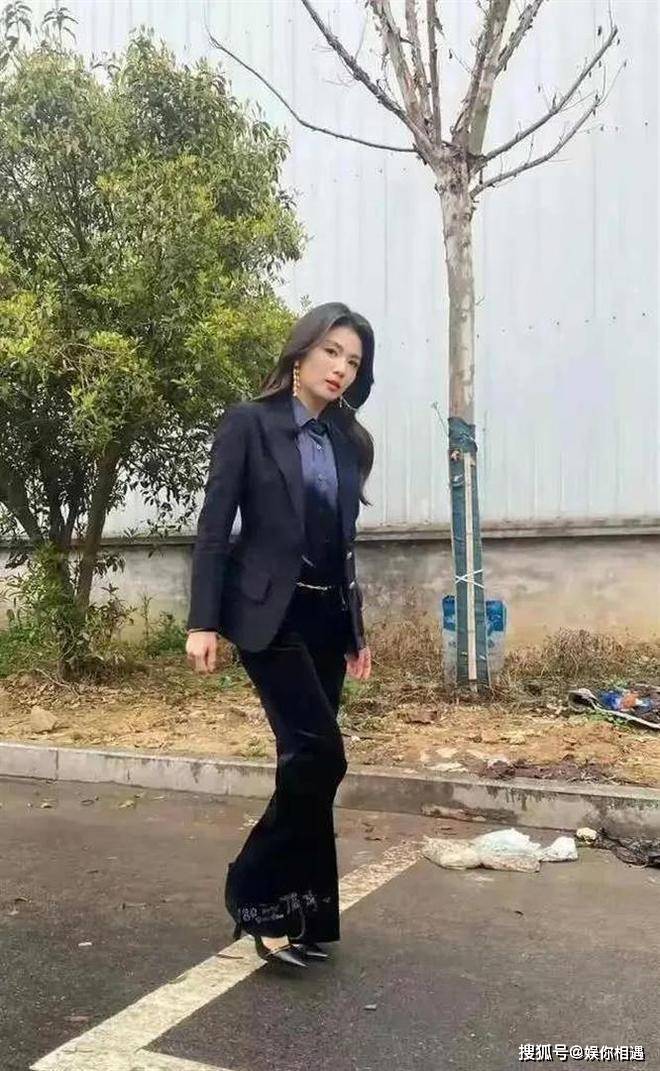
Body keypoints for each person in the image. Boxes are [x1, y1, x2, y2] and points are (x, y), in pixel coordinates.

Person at [185, 301, 375, 968]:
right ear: (301, 353)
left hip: (327, 619)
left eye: (353, 361)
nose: (341, 368)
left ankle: (306, 913)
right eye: (331, 352)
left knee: (303, 765)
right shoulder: (250, 423)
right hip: (272, 618)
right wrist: (203, 620)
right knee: (320, 755)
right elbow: (215, 527)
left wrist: (355, 629)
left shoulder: (349, 442)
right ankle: (253, 890)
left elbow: (343, 545)